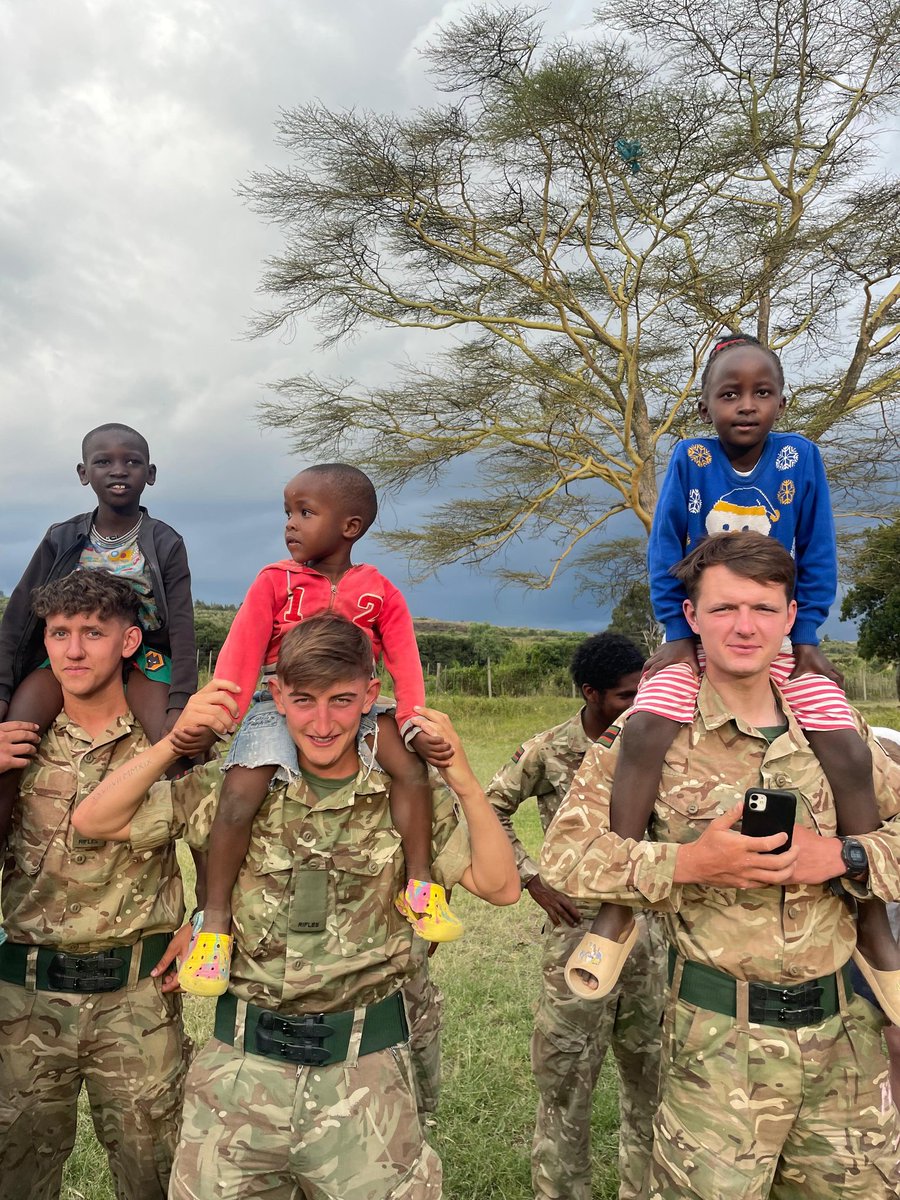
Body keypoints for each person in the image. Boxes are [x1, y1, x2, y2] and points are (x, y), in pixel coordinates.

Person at [72, 611, 520, 1200]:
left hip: (365, 1079)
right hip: (238, 1081)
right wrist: (173, 747)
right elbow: (94, 819)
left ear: (370, 696)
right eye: (304, 700)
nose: (324, 722)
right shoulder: (234, 785)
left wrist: (461, 779)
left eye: (341, 700)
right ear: (277, 697)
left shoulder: (405, 795)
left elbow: (499, 885)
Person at [541, 531, 900, 1198]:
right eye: (725, 608)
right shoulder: (647, 732)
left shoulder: (833, 728)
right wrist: (688, 863)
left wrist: (844, 854)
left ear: (791, 618)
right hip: (716, 1050)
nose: (744, 627)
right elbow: (567, 857)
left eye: (764, 609)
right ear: (693, 616)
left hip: (846, 1042)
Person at [572, 334, 900, 1014]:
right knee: (648, 728)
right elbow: (667, 545)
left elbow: (817, 551)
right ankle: (617, 911)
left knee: (841, 739)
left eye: (761, 392)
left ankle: (871, 921)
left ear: (781, 399)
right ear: (704, 406)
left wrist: (805, 637)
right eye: (729, 394)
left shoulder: (800, 459)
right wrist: (675, 634)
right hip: (697, 638)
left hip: (781, 635)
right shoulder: (691, 460)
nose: (745, 406)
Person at [176, 463, 461, 997]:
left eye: (305, 512)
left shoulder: (379, 591)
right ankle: (214, 923)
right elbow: (242, 648)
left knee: (409, 770)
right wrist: (225, 714)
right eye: (288, 512)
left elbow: (403, 656)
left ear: (349, 527)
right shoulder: (274, 581)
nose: (290, 524)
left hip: (361, 705)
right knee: (240, 792)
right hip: (280, 701)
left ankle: (419, 886)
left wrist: (414, 718)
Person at [0, 570, 196, 1200]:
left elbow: (232, 841)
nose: (74, 650)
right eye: (60, 633)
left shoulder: (164, 741)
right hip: (25, 1003)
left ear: (129, 641)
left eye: (93, 632)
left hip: (136, 1002)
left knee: (154, 1177)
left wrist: (203, 923)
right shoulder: (15, 739)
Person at [487, 632, 665, 1200]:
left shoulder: (661, 742)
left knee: (653, 1080)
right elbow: (490, 809)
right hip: (577, 935)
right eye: (622, 696)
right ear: (590, 694)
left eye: (642, 692)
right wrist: (532, 878)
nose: (635, 705)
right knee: (566, 1082)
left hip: (652, 936)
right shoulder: (551, 749)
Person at [0, 422, 197, 844]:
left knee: (178, 750)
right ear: (84, 473)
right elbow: (18, 616)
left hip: (141, 656)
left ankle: (207, 896)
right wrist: (1, 690)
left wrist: (182, 700)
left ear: (151, 473)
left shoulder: (164, 542)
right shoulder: (63, 537)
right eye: (103, 461)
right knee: (11, 747)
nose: (119, 470)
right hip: (74, 652)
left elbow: (181, 624)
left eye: (132, 462)